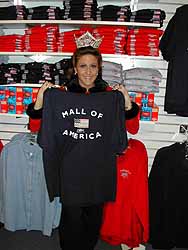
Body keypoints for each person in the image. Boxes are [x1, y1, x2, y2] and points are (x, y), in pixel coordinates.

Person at [26, 46, 140, 250]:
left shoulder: (109, 96)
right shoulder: (61, 95)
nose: (88, 71)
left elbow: (133, 129)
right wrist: (41, 101)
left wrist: (127, 103)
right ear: (75, 68)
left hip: (99, 169)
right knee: (71, 218)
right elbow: (36, 128)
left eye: (93, 66)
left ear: (100, 68)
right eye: (83, 66)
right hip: (70, 169)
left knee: (94, 218)